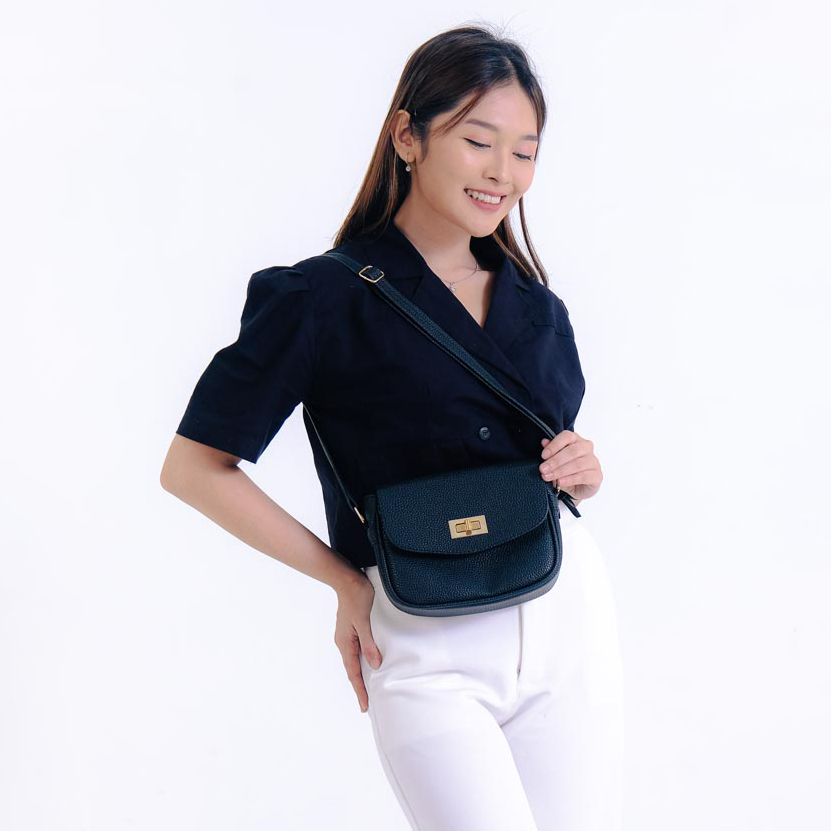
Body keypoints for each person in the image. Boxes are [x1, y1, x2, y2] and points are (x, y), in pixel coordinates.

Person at [160, 23, 625, 831]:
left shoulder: (537, 305)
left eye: (524, 152)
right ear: (407, 136)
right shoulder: (318, 298)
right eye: (478, 141)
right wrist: (346, 581)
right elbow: (194, 467)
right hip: (423, 638)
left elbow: (536, 467)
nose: (503, 172)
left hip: (565, 619)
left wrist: (582, 470)